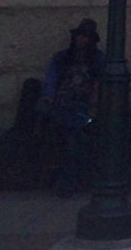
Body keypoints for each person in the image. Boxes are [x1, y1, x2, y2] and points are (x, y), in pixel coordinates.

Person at [38, 18, 105, 197]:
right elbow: (51, 81)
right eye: (80, 36)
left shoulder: (97, 60)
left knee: (74, 138)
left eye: (86, 37)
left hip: (81, 107)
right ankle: (66, 181)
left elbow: (101, 84)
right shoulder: (62, 58)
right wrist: (49, 96)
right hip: (61, 104)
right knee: (71, 134)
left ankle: (67, 182)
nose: (82, 40)